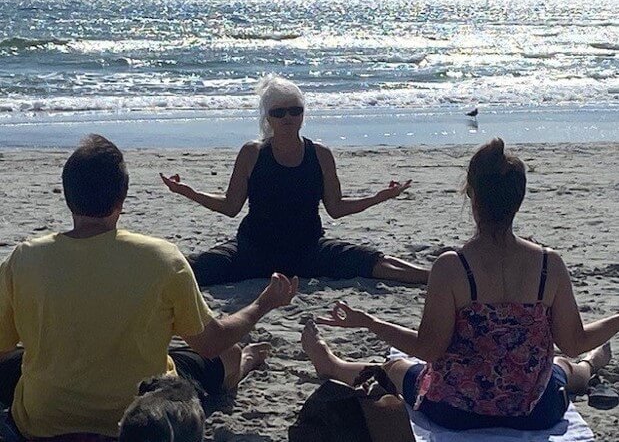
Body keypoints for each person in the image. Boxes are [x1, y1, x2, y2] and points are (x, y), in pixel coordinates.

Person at [302, 138, 619, 430]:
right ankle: (594, 364)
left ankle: (333, 364)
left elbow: (428, 349)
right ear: (518, 200)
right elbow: (574, 341)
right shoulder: (550, 265)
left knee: (397, 368)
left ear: (472, 194)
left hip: (457, 411)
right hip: (534, 412)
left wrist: (369, 322)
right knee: (564, 366)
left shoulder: (452, 267)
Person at [0, 135, 298, 440]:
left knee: (21, 362)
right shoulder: (161, 258)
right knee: (229, 355)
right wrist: (265, 303)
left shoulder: (24, 258)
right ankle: (247, 361)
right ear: (122, 198)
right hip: (139, 421)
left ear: (67, 195)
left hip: (42, 423)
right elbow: (211, 343)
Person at [160, 75, 429, 286]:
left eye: (294, 110)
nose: (288, 117)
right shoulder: (252, 153)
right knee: (189, 269)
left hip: (308, 249)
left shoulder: (320, 154)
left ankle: (433, 277)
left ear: (303, 113)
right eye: (279, 112)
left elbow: (336, 208)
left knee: (374, 262)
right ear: (268, 117)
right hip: (254, 250)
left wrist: (379, 197)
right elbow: (231, 207)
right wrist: (188, 192)